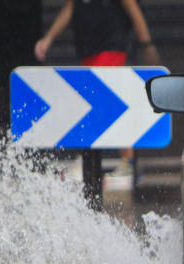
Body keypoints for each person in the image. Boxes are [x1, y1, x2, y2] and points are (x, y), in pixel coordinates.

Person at [34, 0, 159, 179]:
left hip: (111, 48)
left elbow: (133, 8)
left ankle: (117, 161)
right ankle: (106, 161)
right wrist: (48, 39)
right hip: (89, 50)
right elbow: (70, 9)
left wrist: (147, 44)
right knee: (98, 103)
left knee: (98, 103)